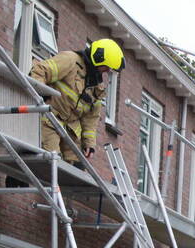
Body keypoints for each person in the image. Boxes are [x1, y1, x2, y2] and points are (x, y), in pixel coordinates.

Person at [29, 39, 124, 167]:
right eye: (106, 67)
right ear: (98, 58)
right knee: (52, 163)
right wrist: (41, 93)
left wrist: (89, 143)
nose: (106, 71)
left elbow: (91, 118)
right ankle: (18, 181)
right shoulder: (70, 60)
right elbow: (39, 70)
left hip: (70, 130)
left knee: (77, 168)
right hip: (50, 120)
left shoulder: (97, 86)